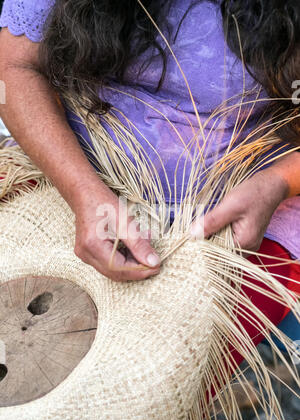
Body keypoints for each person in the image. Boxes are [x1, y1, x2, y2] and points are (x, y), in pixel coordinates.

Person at [0, 0, 300, 350]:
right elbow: (14, 66)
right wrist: (82, 191)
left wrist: (279, 181)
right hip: (65, 172)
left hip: (242, 217)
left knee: (157, 370)